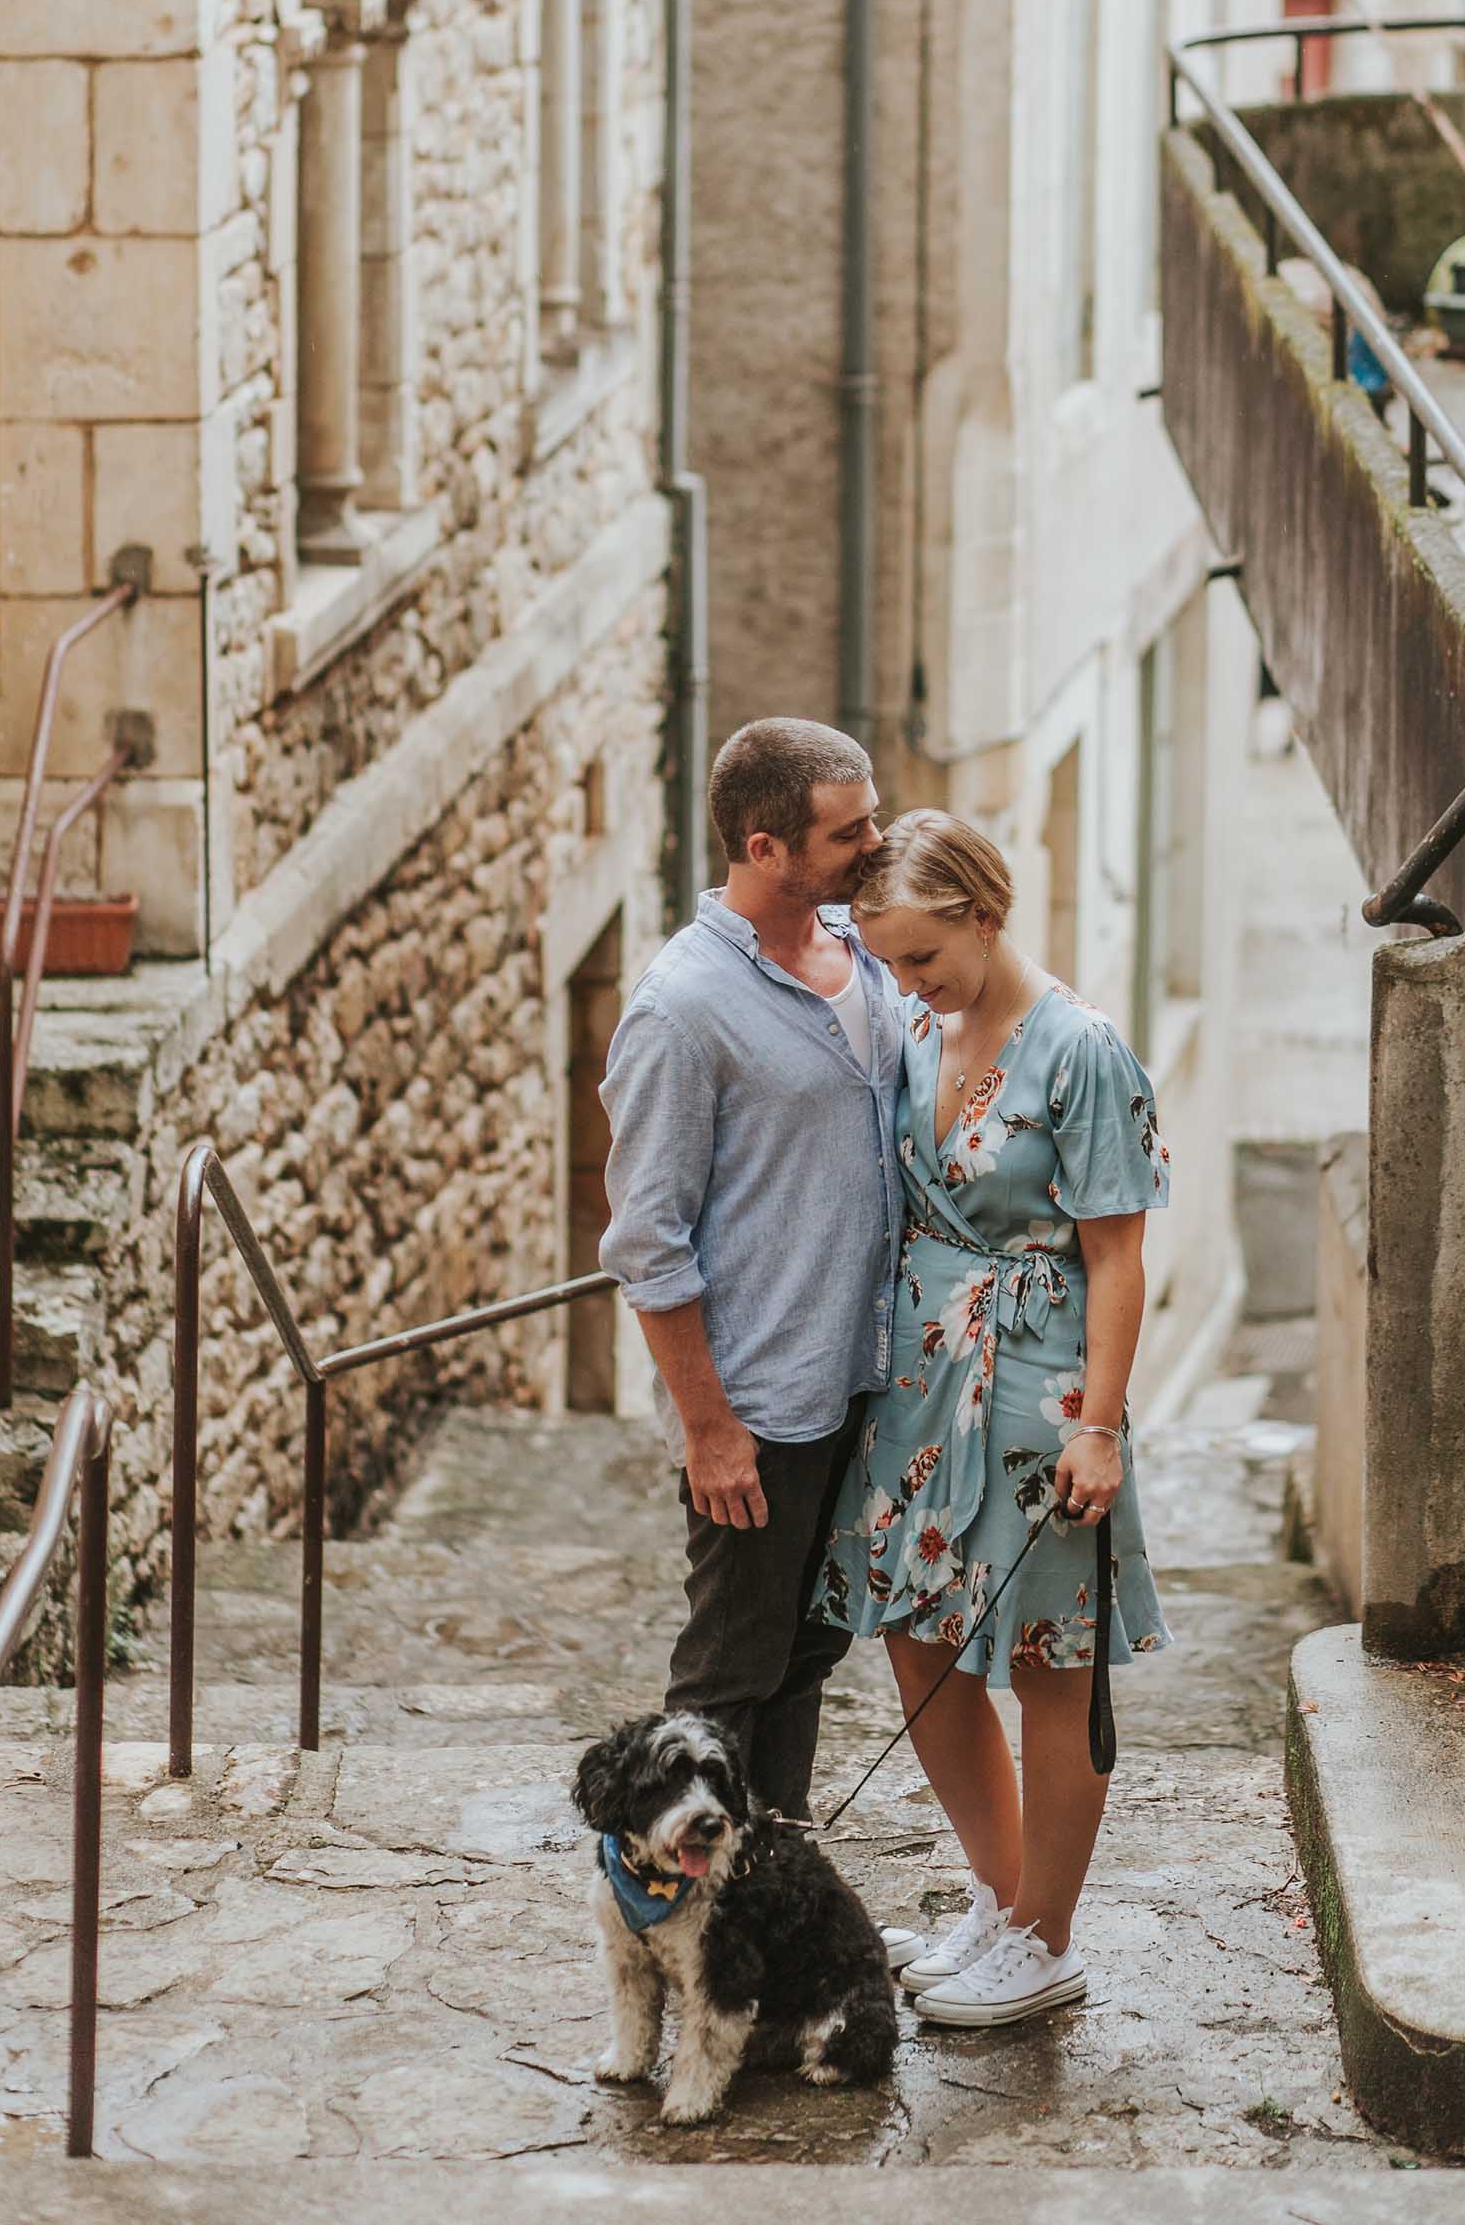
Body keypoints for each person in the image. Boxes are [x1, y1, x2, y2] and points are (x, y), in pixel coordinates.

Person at [813, 809, 1172, 2029]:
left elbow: (1118, 1259)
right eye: (891, 959)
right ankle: (998, 1896)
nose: (906, 982)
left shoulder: (1082, 1050)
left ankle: (1047, 1939)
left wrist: (1100, 1426)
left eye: (923, 954)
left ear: (982, 912)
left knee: (1043, 1664)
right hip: (921, 1375)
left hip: (1039, 1381)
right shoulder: (922, 1024)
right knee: (916, 1638)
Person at [598, 717, 901, 1825]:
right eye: (847, 829)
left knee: (809, 1651)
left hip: (861, 1381)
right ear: (763, 847)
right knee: (725, 1679)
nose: (875, 841)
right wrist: (708, 1427)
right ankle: (670, 1909)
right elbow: (646, 1239)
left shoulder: (863, 947)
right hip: (762, 1404)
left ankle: (771, 1883)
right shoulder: (681, 1012)